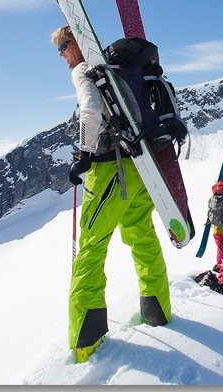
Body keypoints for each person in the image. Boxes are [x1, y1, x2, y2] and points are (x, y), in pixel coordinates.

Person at [52, 26, 171, 363]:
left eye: (63, 45)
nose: (61, 54)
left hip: (109, 170)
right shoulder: (117, 70)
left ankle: (86, 347)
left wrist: (84, 154)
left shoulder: (84, 70)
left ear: (77, 41)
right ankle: (158, 312)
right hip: (142, 166)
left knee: (90, 249)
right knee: (142, 236)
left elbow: (90, 112)